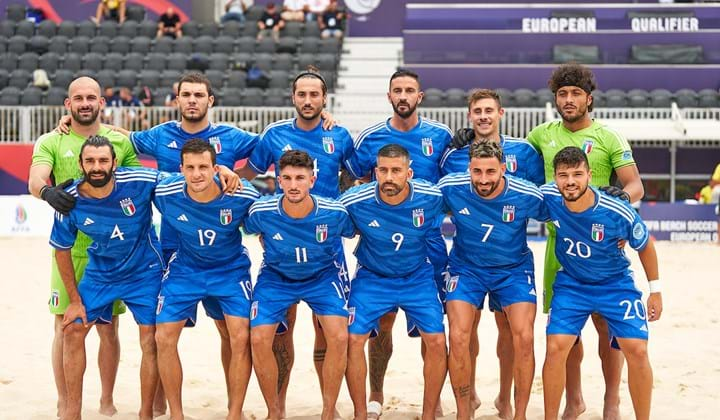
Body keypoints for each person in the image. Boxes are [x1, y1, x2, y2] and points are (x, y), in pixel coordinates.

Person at [56, 72, 249, 415]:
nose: (192, 99)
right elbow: (123, 136)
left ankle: (171, 409)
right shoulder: (159, 137)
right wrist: (73, 123)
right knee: (159, 336)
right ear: (176, 100)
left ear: (210, 100)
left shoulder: (228, 137)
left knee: (226, 331)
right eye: (185, 94)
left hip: (208, 258)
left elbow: (273, 147)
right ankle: (147, 408)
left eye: (198, 94)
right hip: (172, 253)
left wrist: (230, 175)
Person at [528, 63, 644, 419]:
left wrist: (621, 200)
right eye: (562, 93)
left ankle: (612, 400)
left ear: (588, 99)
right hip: (558, 248)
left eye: (576, 93)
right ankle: (574, 399)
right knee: (566, 332)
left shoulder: (609, 138)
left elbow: (635, 185)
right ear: (555, 99)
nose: (568, 99)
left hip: (603, 247)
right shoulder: (540, 136)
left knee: (608, 329)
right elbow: (508, 159)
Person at [236, 67, 354, 418]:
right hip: (281, 250)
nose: (307, 100)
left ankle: (328, 409)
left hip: (326, 251)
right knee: (278, 334)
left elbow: (364, 174)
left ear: (324, 98)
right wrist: (228, 183)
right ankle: (278, 409)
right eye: (301, 94)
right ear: (292, 97)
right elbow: (247, 176)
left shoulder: (340, 136)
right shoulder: (273, 135)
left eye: (314, 94)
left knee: (328, 332)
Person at [28, 76, 141, 419]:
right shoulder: (51, 139)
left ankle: (106, 400)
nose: (85, 102)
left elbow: (136, 183)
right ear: (68, 104)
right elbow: (35, 178)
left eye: (92, 97)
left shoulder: (119, 141)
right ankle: (66, 401)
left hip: (113, 252)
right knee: (64, 326)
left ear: (102, 102)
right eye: (78, 98)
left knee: (110, 329)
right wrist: (47, 192)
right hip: (70, 251)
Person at [345, 69, 452, 419]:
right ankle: (375, 392)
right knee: (383, 323)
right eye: (397, 90)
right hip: (380, 241)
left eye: (410, 90)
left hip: (429, 241)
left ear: (419, 96)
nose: (403, 95)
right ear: (389, 96)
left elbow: (459, 180)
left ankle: (432, 403)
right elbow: (354, 176)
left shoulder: (440, 135)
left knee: (433, 329)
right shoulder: (371, 138)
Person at [441, 88, 544, 419]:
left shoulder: (525, 155)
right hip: (466, 265)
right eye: (477, 111)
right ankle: (464, 408)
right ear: (469, 115)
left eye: (489, 110)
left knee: (518, 335)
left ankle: (510, 404)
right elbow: (420, 200)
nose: (483, 116)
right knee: (460, 334)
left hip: (512, 265)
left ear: (501, 113)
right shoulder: (452, 160)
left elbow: (558, 203)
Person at [540, 146, 662, 420]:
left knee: (638, 350)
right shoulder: (549, 197)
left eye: (577, 174)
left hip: (615, 284)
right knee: (556, 346)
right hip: (572, 284)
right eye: (563, 175)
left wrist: (655, 291)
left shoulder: (616, 210)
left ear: (590, 175)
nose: (570, 181)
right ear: (555, 178)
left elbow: (645, 246)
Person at [49, 136, 164, 420]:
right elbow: (61, 251)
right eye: (90, 161)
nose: (97, 167)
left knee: (152, 339)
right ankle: (72, 412)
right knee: (73, 329)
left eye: (103, 160)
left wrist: (221, 172)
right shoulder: (70, 201)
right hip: (101, 274)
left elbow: (184, 178)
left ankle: (146, 413)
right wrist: (74, 301)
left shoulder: (139, 179)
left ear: (115, 162)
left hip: (144, 271)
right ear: (80, 164)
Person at [153, 140, 260, 420]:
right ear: (181, 170)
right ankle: (176, 414)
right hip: (185, 269)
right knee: (163, 337)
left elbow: (267, 221)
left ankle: (234, 413)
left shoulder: (239, 193)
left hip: (230, 270)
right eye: (190, 168)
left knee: (239, 336)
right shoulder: (164, 190)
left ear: (215, 168)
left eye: (204, 167)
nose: (197, 174)